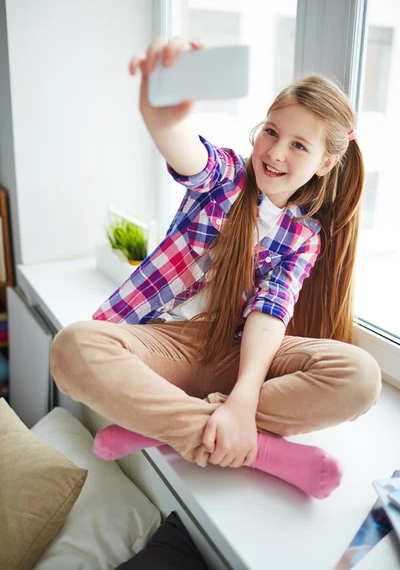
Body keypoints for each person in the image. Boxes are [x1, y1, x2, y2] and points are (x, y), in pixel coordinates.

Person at [50, 36, 381, 500]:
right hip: (163, 343)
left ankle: (170, 426)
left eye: (299, 145)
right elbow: (190, 157)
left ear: (326, 162)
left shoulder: (303, 238)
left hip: (237, 354)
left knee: (361, 376)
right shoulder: (226, 178)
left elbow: (270, 314)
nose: (276, 152)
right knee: (72, 347)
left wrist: (244, 399)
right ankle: (253, 449)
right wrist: (162, 121)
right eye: (271, 131)